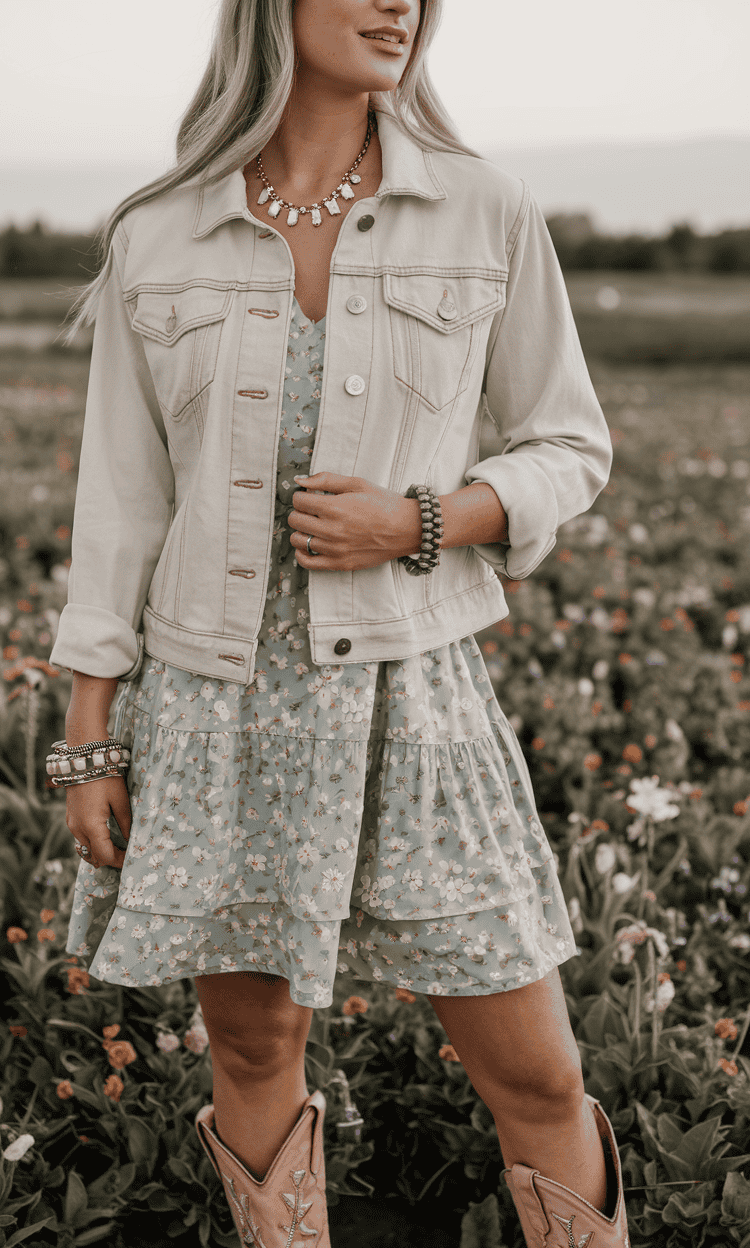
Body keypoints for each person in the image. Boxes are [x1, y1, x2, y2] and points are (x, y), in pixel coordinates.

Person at [48, 1, 630, 1244]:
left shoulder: (483, 209)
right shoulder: (158, 233)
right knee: (254, 1048)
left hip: (415, 696)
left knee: (535, 1070)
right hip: (214, 701)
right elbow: (120, 505)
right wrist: (89, 732)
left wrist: (421, 520)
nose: (397, 6)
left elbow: (570, 445)